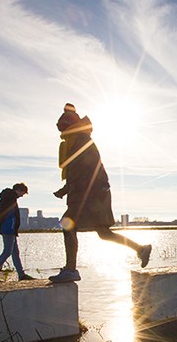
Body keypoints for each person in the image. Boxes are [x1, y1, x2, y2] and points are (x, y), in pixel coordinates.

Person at [49, 103, 152, 283]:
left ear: (69, 128)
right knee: (103, 233)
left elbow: (87, 170)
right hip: (92, 194)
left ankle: (71, 269)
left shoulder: (80, 141)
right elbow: (78, 171)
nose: (61, 134)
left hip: (90, 195)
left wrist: (74, 190)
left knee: (67, 225)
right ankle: (140, 249)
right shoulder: (77, 140)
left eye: (63, 130)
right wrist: (65, 190)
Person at [0, 183, 34, 283]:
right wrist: (0, 227)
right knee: (7, 252)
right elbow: (3, 214)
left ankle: (21, 274)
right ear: (18, 190)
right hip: (8, 229)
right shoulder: (10, 198)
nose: (22, 195)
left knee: (15, 252)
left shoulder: (9, 197)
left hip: (10, 229)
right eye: (22, 193)